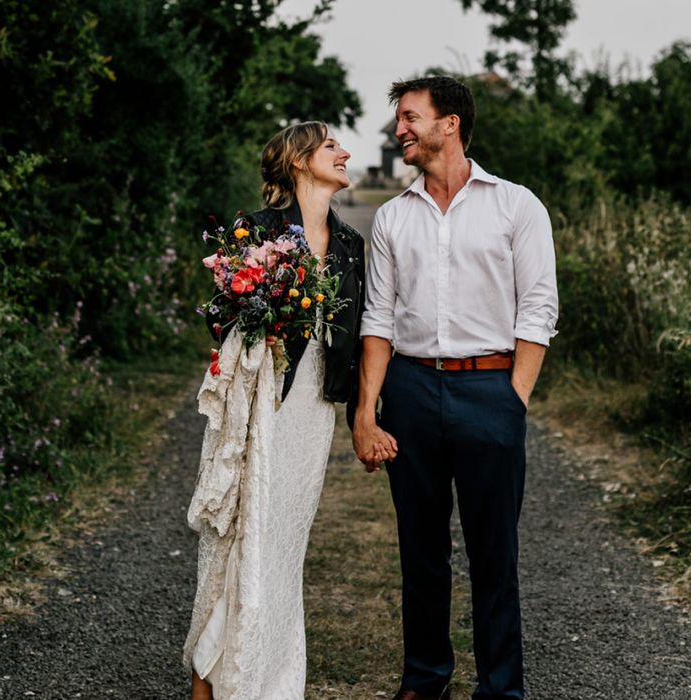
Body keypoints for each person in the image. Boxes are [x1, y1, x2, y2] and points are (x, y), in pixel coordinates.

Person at [353, 76, 558, 700]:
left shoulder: (516, 206)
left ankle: (500, 689)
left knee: (494, 556)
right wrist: (367, 414)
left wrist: (512, 397)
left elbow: (539, 308)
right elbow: (378, 320)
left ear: (451, 124)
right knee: (420, 551)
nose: (400, 131)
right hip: (412, 392)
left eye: (410, 118)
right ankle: (426, 678)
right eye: (399, 120)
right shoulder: (391, 217)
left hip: (490, 390)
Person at [184, 121, 365, 700]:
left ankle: (269, 678)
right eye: (332, 146)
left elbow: (359, 335)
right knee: (244, 535)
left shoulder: (349, 247)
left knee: (284, 543)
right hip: (260, 404)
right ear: (299, 160)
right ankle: (213, 677)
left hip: (312, 410)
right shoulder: (254, 232)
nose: (345, 153)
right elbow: (222, 321)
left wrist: (367, 413)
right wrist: (262, 309)